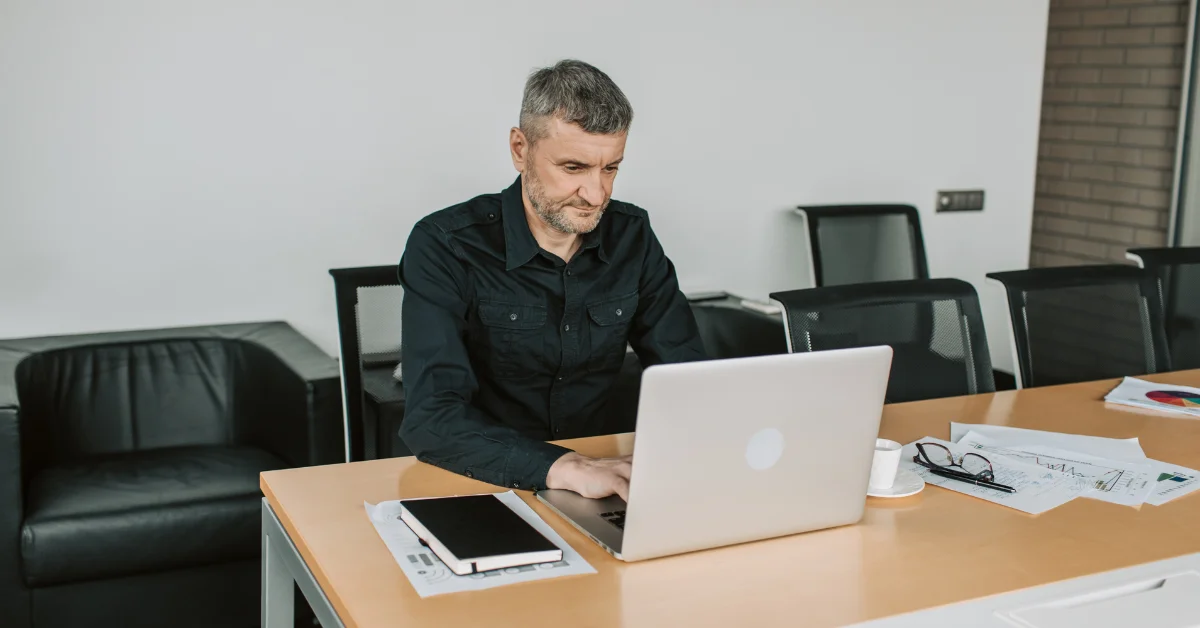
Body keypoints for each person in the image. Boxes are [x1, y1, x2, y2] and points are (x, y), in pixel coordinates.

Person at [398, 59, 706, 501]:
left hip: (599, 479)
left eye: (610, 168)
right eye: (574, 168)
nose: (596, 195)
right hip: (479, 480)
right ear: (520, 149)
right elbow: (432, 419)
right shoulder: (445, 244)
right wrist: (563, 467)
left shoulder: (631, 235)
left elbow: (688, 377)